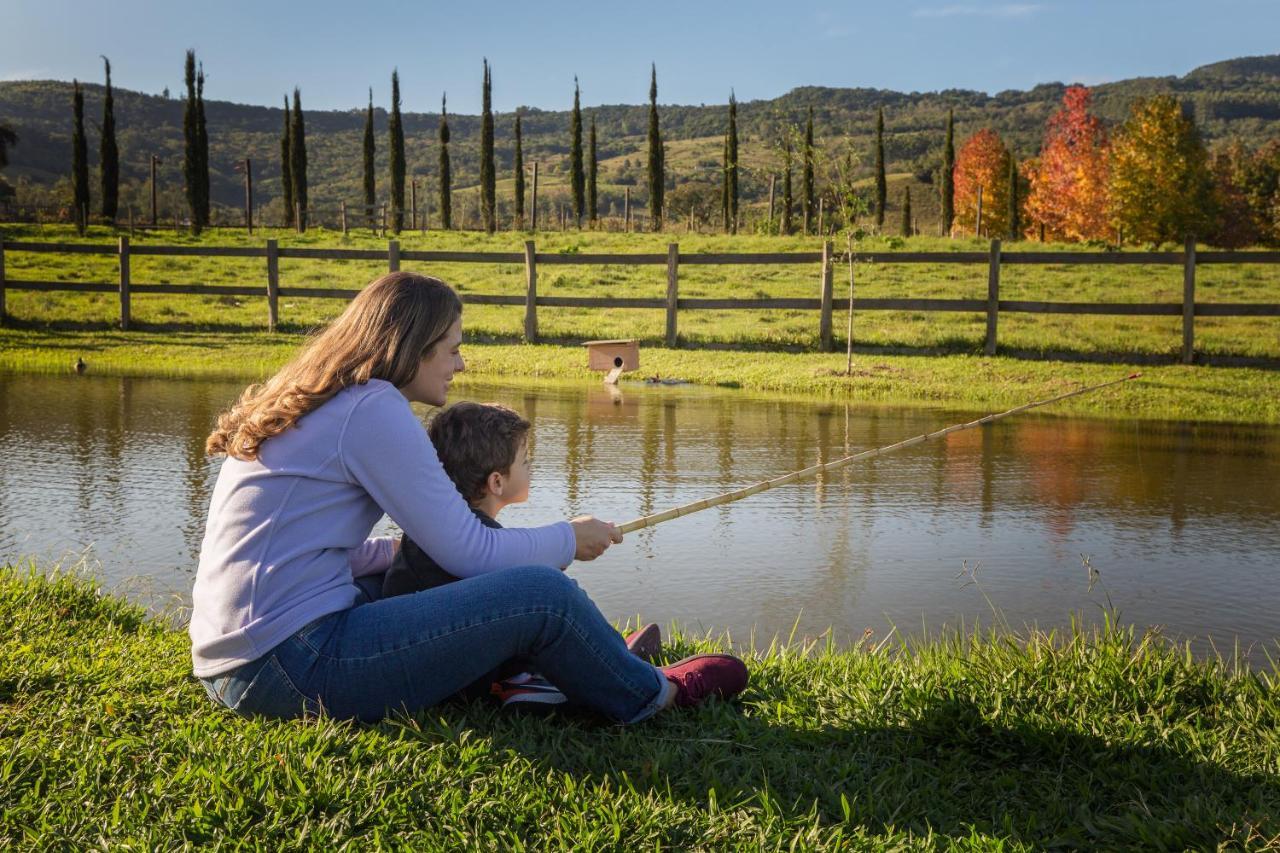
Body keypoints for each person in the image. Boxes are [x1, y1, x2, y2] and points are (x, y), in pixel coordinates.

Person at [191, 271, 747, 723]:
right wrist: (568, 539)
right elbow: (469, 552)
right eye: (452, 349)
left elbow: (299, 549)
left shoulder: (327, 399)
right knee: (540, 594)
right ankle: (655, 694)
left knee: (422, 572)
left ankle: (569, 664)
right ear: (410, 347)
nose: (461, 364)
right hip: (291, 667)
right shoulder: (372, 407)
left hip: (241, 662)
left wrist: (393, 554)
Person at [375, 399, 662, 706]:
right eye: (525, 461)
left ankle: (601, 655)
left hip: (422, 659)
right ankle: (541, 678)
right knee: (550, 608)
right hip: (455, 681)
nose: (531, 467)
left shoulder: (436, 530)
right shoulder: (476, 545)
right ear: (496, 482)